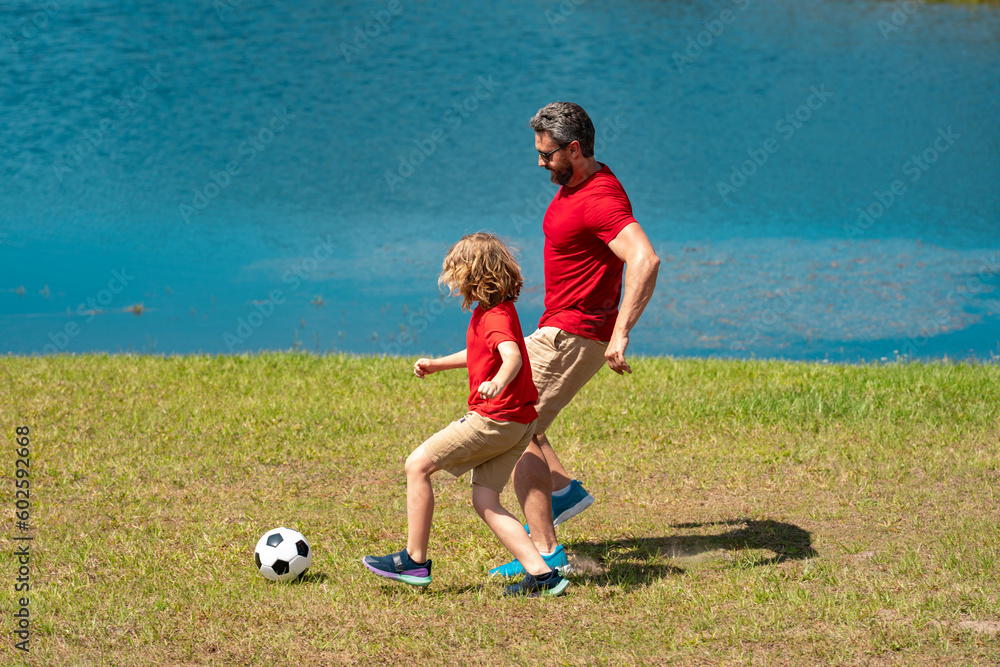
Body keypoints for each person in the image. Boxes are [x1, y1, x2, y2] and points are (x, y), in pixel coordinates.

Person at [489, 102, 661, 577]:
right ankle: (562, 490)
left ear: (575, 148)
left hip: (573, 335)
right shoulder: (579, 183)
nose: (540, 163)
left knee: (510, 429)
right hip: (558, 327)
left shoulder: (602, 198)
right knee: (525, 424)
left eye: (547, 155)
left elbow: (645, 260)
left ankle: (545, 557)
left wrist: (620, 333)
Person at [362, 232, 570, 597]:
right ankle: (544, 576)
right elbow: (480, 353)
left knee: (417, 466)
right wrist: (437, 364)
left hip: (494, 419)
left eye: (456, 273)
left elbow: (513, 356)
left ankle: (414, 560)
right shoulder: (497, 312)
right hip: (519, 424)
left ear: (475, 275)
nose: (453, 281)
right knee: (485, 501)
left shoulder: (494, 319)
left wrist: (498, 383)